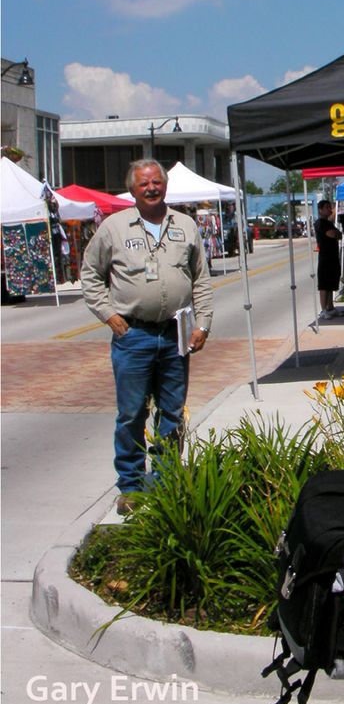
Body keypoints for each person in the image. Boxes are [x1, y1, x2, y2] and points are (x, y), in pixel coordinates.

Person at [81, 159, 213, 516]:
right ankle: (131, 485)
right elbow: (90, 274)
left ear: (165, 185)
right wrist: (108, 314)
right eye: (144, 184)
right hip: (133, 335)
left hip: (176, 335)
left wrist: (203, 323)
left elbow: (200, 278)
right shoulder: (113, 227)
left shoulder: (185, 225)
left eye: (157, 181)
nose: (152, 188)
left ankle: (167, 479)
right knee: (131, 414)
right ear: (132, 189)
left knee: (171, 413)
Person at [314, 199, 342, 319]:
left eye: (330, 207)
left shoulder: (329, 223)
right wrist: (335, 233)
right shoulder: (320, 223)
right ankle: (323, 309)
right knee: (324, 285)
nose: (329, 210)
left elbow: (339, 235)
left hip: (333, 256)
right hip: (325, 257)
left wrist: (336, 233)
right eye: (326, 207)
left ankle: (330, 307)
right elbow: (332, 234)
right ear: (320, 210)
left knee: (332, 283)